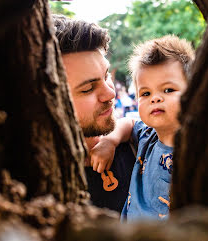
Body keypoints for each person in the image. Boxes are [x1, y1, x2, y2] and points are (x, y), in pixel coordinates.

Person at [94, 35, 195, 220]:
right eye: (146, 93)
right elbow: (128, 123)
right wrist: (109, 141)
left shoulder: (198, 147)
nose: (155, 98)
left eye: (168, 90)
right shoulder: (147, 135)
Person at [52, 14, 136, 213]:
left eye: (106, 75)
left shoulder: (142, 146)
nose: (110, 93)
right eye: (88, 88)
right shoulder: (37, 187)